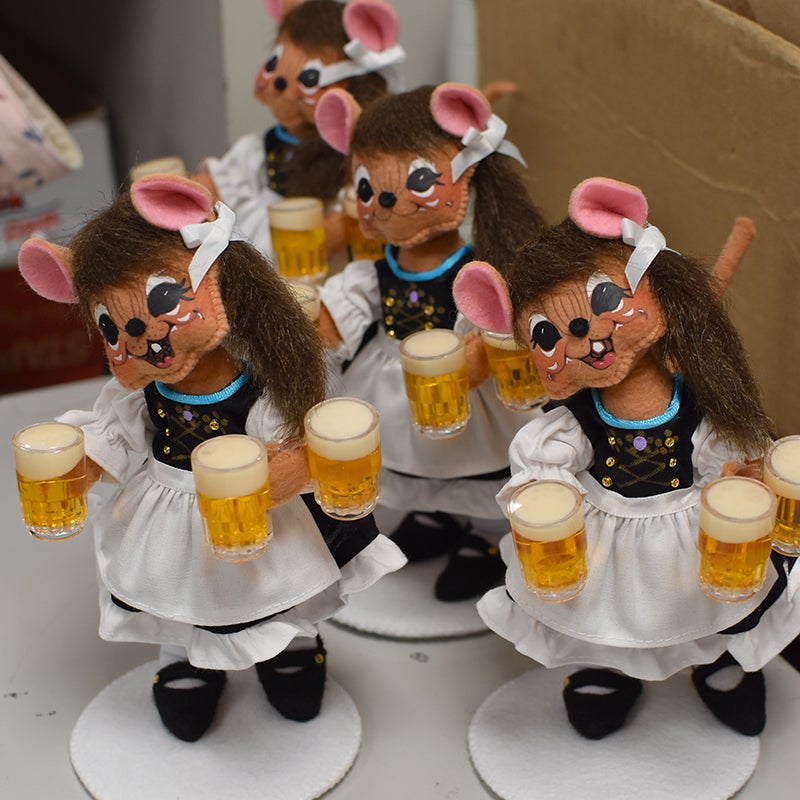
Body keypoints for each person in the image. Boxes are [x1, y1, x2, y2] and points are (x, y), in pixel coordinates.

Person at [16, 173, 405, 741]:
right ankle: (182, 658)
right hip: (171, 505)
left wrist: (291, 468)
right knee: (175, 585)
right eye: (110, 324)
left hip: (256, 509)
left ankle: (291, 647)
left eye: (163, 300)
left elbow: (303, 441)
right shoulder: (143, 394)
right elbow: (112, 434)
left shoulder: (264, 384)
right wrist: (80, 465)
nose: (138, 335)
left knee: (275, 584)